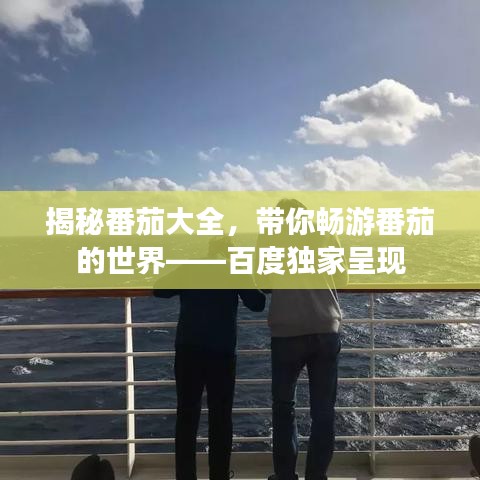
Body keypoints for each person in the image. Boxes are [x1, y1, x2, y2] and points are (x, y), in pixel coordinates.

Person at [153, 237, 266, 480]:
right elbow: (258, 303)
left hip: (188, 350)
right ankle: (219, 475)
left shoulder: (191, 267)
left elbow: (159, 289)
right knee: (221, 418)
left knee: (186, 416)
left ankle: (185, 476)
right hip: (221, 353)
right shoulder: (235, 270)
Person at [260, 198, 348, 480]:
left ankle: (285, 476)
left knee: (284, 408)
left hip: (286, 331)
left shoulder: (269, 238)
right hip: (325, 327)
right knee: (323, 411)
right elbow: (342, 279)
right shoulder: (326, 234)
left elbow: (263, 283)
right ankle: (316, 476)